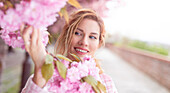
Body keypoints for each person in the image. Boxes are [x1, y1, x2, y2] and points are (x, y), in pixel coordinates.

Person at [21, 8, 118, 93]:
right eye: (78, 33)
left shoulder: (106, 83)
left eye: (92, 37)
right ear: (67, 36)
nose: (84, 42)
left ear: (99, 43)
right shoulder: (46, 78)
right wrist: (40, 72)